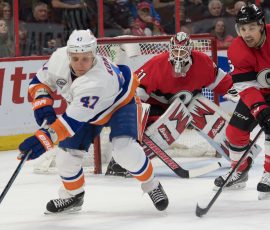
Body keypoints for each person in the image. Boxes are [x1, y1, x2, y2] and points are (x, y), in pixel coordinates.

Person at [18, 29, 169, 213]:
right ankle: (73, 196)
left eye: (85, 58)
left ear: (94, 54)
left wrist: (43, 140)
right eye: (75, 58)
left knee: (124, 151)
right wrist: (42, 105)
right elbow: (38, 82)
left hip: (120, 104)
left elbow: (69, 124)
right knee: (65, 157)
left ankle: (152, 185)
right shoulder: (58, 57)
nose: (79, 64)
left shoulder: (97, 81)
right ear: (68, 54)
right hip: (83, 109)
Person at [105, 31, 233, 176]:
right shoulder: (157, 64)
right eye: (176, 50)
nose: (178, 55)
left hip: (185, 106)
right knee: (169, 122)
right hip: (157, 108)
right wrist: (134, 119)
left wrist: (239, 94)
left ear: (190, 51)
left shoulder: (203, 62)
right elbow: (136, 91)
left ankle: (237, 151)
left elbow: (222, 82)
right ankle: (121, 162)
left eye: (182, 51)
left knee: (199, 108)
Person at [213, 4, 270, 199]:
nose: (246, 33)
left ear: (262, 25)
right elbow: (246, 86)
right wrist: (260, 110)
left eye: (251, 28)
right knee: (234, 133)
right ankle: (240, 170)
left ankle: (269, 172)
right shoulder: (237, 49)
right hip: (256, 92)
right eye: (242, 29)